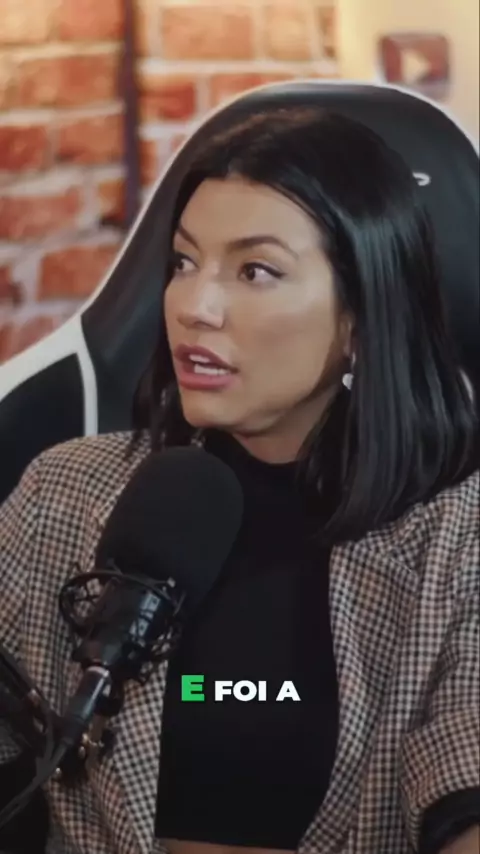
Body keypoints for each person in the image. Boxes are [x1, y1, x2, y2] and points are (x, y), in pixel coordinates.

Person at [0, 107, 478, 854]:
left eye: (256, 271)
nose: (194, 307)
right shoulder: (66, 493)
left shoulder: (458, 535)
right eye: (183, 263)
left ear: (360, 316)